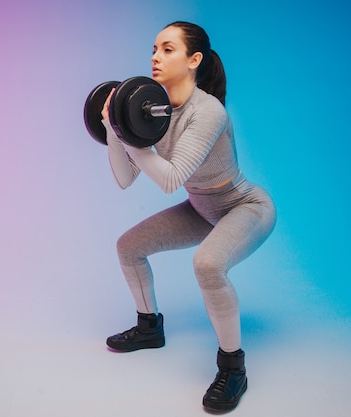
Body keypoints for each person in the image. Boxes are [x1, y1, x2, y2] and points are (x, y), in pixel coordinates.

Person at [100, 21, 277, 412]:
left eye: (167, 49)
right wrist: (114, 130)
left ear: (194, 60)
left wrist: (126, 132)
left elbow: (171, 179)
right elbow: (126, 178)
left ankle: (233, 367)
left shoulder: (208, 112)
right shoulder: (154, 109)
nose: (155, 57)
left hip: (244, 207)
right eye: (154, 48)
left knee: (208, 264)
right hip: (201, 208)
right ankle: (149, 328)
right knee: (128, 247)